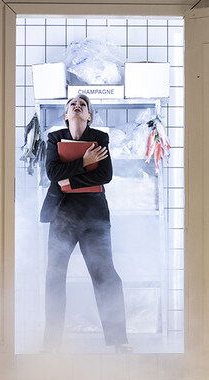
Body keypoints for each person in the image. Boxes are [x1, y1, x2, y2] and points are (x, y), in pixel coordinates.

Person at [39, 94, 132, 353]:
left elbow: (105, 175)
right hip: (62, 216)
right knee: (54, 277)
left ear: (89, 115)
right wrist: (84, 163)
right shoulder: (54, 138)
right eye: (72, 104)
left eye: (83, 105)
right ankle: (51, 344)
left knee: (106, 275)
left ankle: (119, 340)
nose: (77, 106)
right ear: (66, 115)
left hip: (94, 216)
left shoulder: (100, 138)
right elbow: (52, 173)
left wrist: (69, 180)